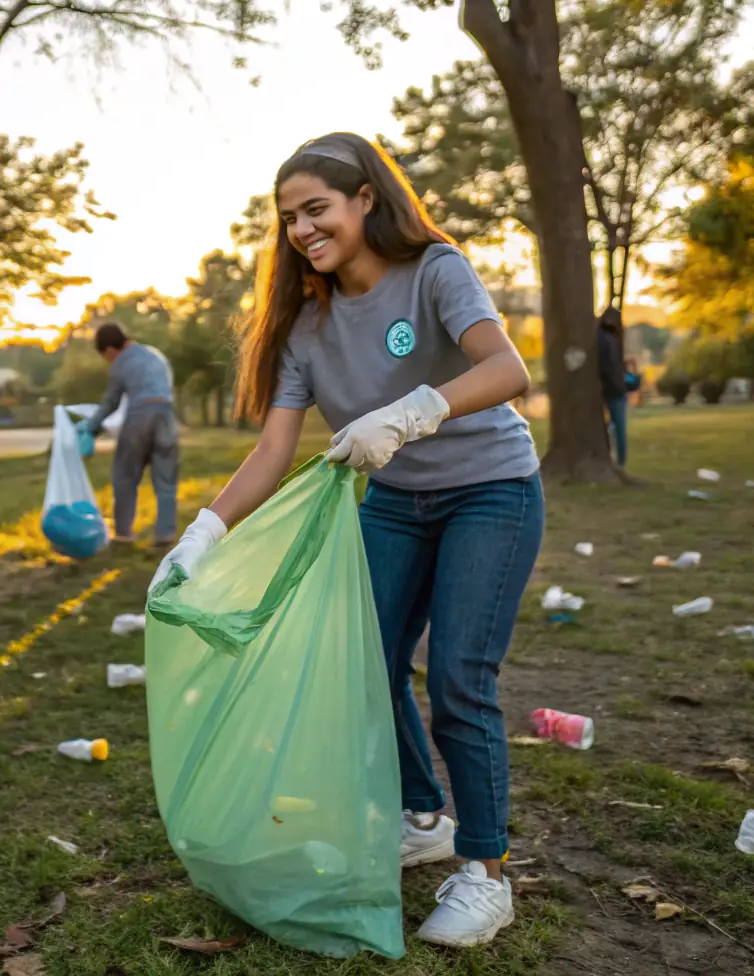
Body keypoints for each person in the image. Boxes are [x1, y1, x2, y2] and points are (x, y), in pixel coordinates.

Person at [150, 133, 542, 949]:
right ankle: (422, 815)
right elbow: (272, 451)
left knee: (462, 678)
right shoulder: (302, 325)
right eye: (289, 217)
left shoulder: (435, 270)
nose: (301, 230)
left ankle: (485, 872)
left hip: (489, 492)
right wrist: (202, 535)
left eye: (316, 209)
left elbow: (507, 372)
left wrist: (410, 413)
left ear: (366, 198)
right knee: (370, 660)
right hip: (396, 504)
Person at [86, 323, 179, 544]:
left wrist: (91, 427)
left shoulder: (121, 362)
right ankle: (165, 534)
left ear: (109, 350)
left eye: (105, 356)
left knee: (125, 476)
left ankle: (123, 532)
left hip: (140, 416)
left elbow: (112, 402)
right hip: (166, 415)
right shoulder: (154, 355)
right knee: (165, 480)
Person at [598, 308, 628, 468]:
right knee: (619, 427)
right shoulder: (612, 339)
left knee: (609, 426)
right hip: (616, 389)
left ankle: (614, 458)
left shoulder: (600, 337)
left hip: (607, 388)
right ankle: (621, 462)